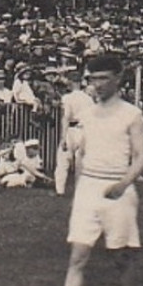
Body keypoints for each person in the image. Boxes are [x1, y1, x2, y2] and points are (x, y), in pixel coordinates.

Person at [38, 53, 143, 286]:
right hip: (89, 187)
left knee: (122, 256)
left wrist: (123, 184)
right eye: (92, 79)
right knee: (78, 253)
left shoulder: (131, 114)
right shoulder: (86, 113)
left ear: (117, 79)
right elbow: (83, 152)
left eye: (103, 78)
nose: (97, 85)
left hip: (118, 189)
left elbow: (142, 157)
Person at [52, 69, 94, 197]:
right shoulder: (88, 99)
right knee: (81, 163)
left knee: (63, 160)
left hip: (71, 130)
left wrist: (63, 138)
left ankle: (60, 190)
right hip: (85, 130)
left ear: (69, 82)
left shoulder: (67, 98)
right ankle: (80, 191)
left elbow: (65, 117)